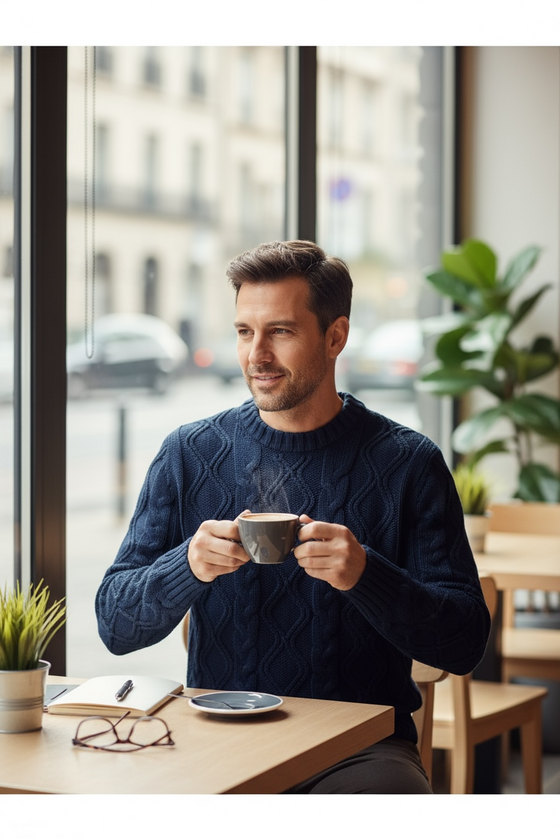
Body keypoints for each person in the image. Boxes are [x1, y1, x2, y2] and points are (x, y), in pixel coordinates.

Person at [95, 239, 490, 794]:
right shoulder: (188, 453)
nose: (256, 355)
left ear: (336, 336)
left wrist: (364, 574)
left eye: (279, 331)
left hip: (360, 752)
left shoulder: (408, 462)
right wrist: (187, 566)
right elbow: (113, 625)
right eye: (243, 332)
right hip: (216, 738)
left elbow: (464, 642)